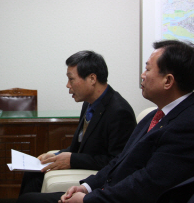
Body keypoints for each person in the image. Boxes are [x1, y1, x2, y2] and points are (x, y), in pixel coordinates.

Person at [17, 40, 194, 203]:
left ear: (168, 81)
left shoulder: (187, 124)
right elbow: (121, 161)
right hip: (105, 192)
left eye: (148, 69)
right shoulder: (154, 116)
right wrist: (86, 186)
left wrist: (88, 199)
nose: (142, 75)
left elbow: (148, 183)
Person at [19, 50, 136, 195]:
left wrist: (72, 160)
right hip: (85, 166)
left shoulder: (119, 111)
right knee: (31, 173)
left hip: (100, 182)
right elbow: (79, 146)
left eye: (71, 79)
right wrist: (56, 155)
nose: (68, 85)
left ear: (92, 79)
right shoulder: (88, 104)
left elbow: (118, 161)